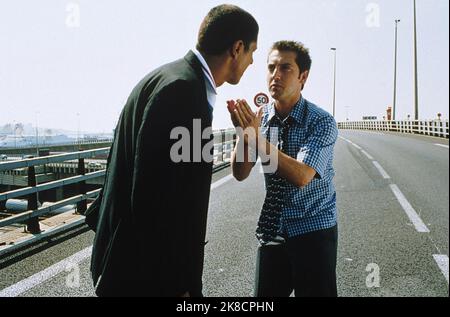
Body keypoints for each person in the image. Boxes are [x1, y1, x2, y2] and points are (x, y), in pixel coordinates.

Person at [87, 4, 258, 297]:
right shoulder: (185, 92)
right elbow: (156, 202)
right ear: (237, 48)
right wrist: (179, 284)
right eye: (252, 52)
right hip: (145, 280)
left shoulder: (163, 77)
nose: (252, 61)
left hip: (120, 265)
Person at [228, 41, 338, 297]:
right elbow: (240, 172)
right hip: (273, 229)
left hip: (314, 229)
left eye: (285, 68)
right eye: (271, 67)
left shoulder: (321, 121)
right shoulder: (261, 118)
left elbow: (302, 175)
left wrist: (256, 139)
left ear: (303, 76)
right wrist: (243, 134)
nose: (275, 75)